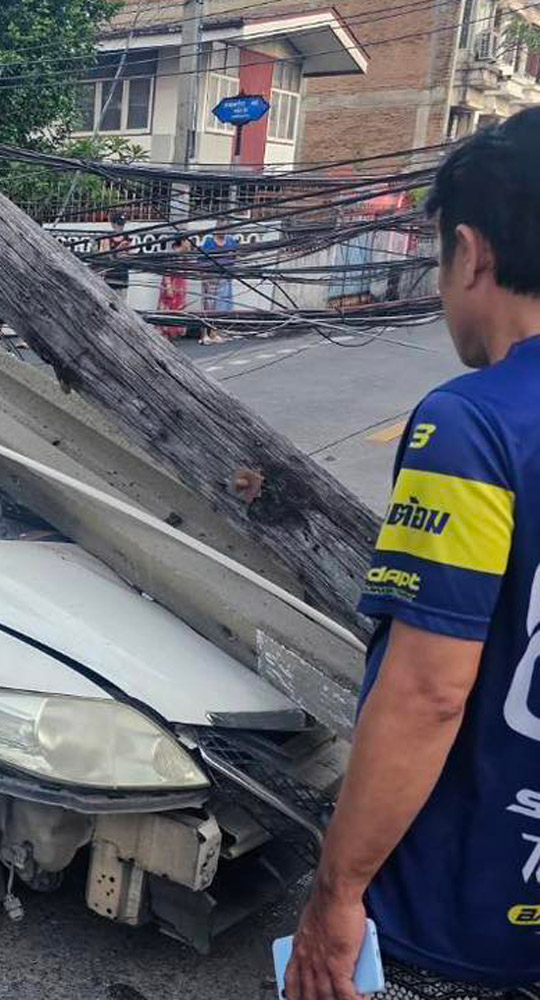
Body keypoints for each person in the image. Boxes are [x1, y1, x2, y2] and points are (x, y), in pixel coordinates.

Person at [285, 109, 540, 1000]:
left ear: (472, 253)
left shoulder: (474, 425)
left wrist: (336, 892)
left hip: (465, 915)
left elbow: (430, 691)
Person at [155, 234, 190, 339]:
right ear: (182, 242)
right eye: (187, 241)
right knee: (168, 308)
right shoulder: (173, 255)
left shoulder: (185, 255)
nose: (189, 244)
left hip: (180, 286)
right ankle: (165, 333)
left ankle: (173, 332)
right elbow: (167, 272)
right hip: (171, 284)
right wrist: (169, 286)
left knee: (178, 309)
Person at [200, 226, 238, 314]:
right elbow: (201, 260)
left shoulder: (230, 242)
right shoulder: (209, 242)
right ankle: (210, 324)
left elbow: (236, 256)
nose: (223, 232)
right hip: (211, 278)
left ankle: (222, 321)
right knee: (210, 304)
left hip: (225, 277)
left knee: (224, 302)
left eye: (225, 229)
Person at [100, 213, 133, 298]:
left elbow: (129, 256)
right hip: (110, 276)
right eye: (118, 224)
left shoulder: (127, 238)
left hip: (123, 276)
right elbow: (104, 256)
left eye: (122, 224)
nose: (120, 227)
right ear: (113, 224)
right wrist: (118, 249)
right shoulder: (107, 238)